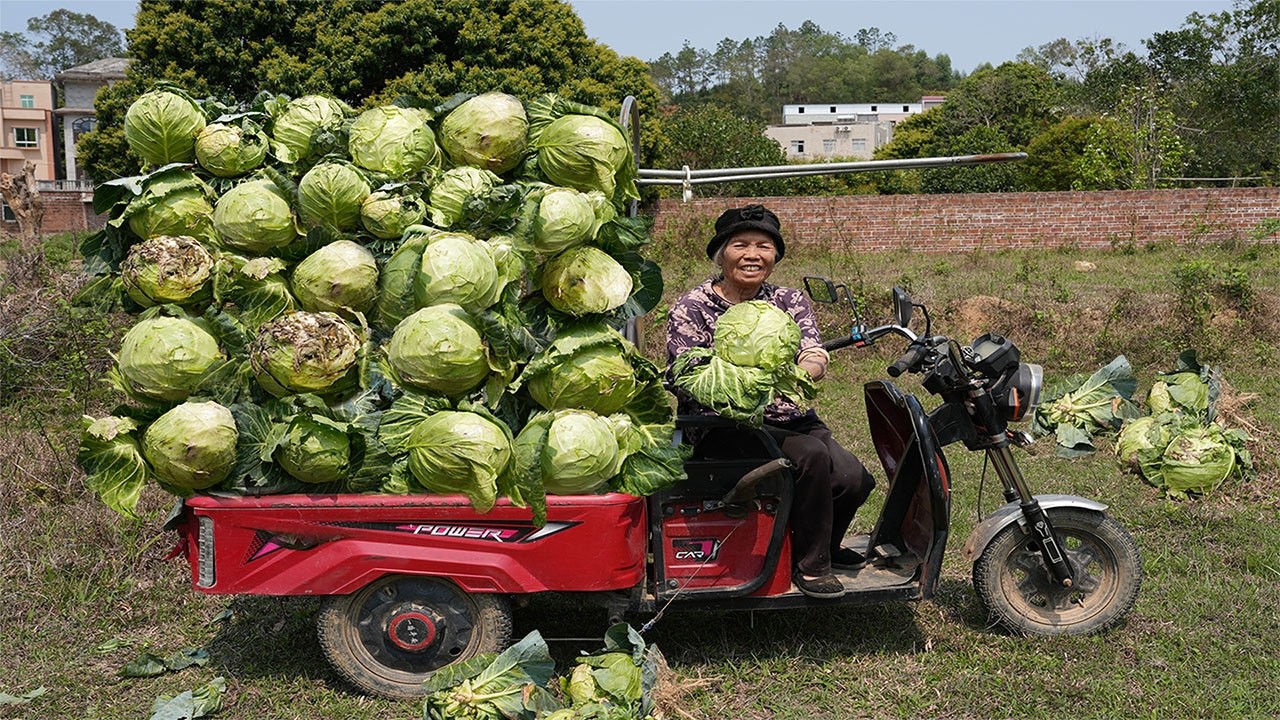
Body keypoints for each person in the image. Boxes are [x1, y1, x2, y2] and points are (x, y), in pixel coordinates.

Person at [666, 204, 876, 600]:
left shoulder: (788, 300)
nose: (752, 255)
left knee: (853, 478)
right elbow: (685, 373)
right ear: (721, 254)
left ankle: (821, 544)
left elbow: (812, 350)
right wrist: (747, 385)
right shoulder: (693, 306)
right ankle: (812, 568)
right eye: (740, 245)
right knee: (812, 456)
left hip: (788, 417)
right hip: (723, 425)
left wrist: (809, 366)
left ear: (775, 256)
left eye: (763, 246)